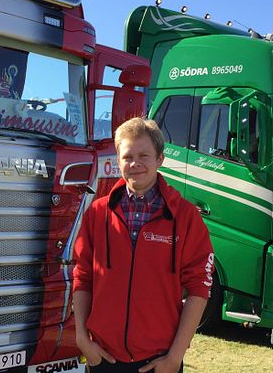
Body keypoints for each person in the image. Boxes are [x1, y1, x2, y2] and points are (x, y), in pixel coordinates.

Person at [72, 117, 215, 373]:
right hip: (104, 359)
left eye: (144, 155)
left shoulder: (184, 216)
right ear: (118, 161)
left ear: (159, 159)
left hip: (159, 362)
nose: (135, 164)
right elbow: (82, 277)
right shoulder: (97, 213)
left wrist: (175, 357)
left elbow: (199, 288)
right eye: (127, 157)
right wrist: (82, 338)